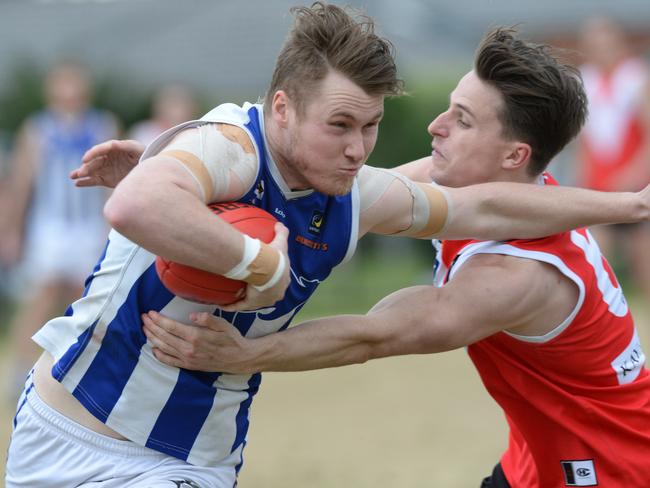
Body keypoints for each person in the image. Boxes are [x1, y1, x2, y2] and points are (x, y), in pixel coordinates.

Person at [6, 3, 650, 486]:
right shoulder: (237, 145)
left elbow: (380, 330)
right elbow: (144, 203)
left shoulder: (514, 271)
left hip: (609, 468)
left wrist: (249, 347)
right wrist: (227, 225)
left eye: (368, 126)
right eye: (340, 123)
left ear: (513, 155)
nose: (433, 126)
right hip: (66, 423)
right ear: (282, 107)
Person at [0, 60, 119, 399]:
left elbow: (115, 183)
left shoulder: (101, 125)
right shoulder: (38, 130)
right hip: (50, 226)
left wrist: (113, 227)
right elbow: (22, 185)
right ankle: (19, 369)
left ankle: (85, 373)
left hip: (88, 225)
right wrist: (11, 231)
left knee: (87, 299)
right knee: (42, 294)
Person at [576, 16, 650, 306]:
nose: (600, 49)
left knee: (642, 261)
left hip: (634, 184)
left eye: (606, 42)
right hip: (600, 183)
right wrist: (582, 180)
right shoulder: (584, 80)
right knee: (593, 257)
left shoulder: (636, 78)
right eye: (593, 44)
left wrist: (635, 172)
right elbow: (583, 140)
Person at [129, 84, 199, 146]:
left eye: (177, 105)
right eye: (170, 104)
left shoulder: (195, 136)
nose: (172, 112)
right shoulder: (143, 132)